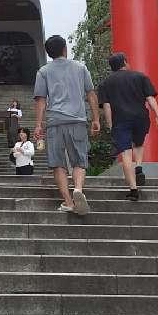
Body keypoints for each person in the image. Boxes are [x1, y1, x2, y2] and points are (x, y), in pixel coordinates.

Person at [33, 34, 100, 216]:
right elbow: (91, 94)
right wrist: (96, 119)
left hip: (55, 122)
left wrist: (38, 125)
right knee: (79, 160)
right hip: (78, 120)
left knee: (58, 164)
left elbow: (40, 100)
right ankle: (78, 188)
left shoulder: (43, 71)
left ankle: (69, 202)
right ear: (65, 49)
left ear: (49, 53)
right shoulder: (80, 68)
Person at [98, 52, 158, 200]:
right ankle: (139, 166)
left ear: (111, 67)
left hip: (120, 120)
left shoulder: (105, 83)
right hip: (140, 117)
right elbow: (150, 98)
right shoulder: (140, 77)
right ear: (125, 62)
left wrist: (111, 126)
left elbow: (107, 107)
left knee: (126, 154)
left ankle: (133, 189)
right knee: (138, 143)